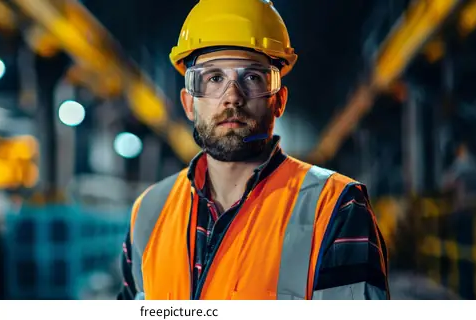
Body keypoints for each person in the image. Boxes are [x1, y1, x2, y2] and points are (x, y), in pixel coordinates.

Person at [117, 0, 389, 300]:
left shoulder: (335, 207)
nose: (232, 96)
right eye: (214, 78)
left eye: (252, 78)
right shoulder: (149, 212)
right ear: (188, 104)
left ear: (280, 101)